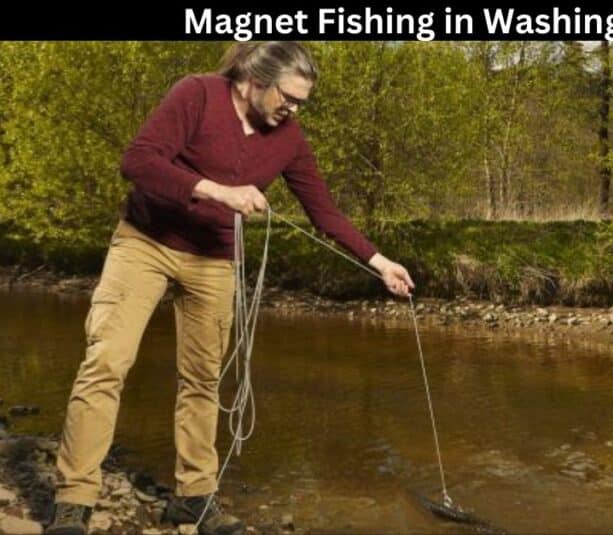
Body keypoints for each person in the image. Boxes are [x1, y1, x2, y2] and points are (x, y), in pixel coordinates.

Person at [45, 42, 415, 535]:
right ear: (256, 80)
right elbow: (137, 161)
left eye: (302, 101)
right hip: (146, 243)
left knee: (201, 379)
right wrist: (216, 190)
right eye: (289, 96)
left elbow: (323, 212)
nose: (294, 109)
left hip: (215, 261)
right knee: (106, 363)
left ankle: (194, 498)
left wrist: (380, 263)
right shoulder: (197, 94)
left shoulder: (289, 138)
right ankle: (74, 500)